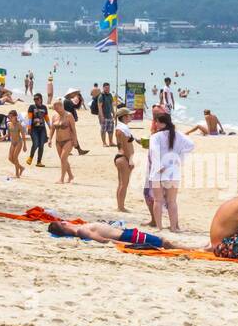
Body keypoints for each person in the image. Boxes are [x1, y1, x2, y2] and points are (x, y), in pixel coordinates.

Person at [148, 111, 194, 232]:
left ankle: (159, 227)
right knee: (172, 201)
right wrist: (179, 157)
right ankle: (174, 227)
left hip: (158, 172)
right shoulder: (178, 134)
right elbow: (191, 145)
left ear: (159, 123)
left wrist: (158, 165)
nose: (155, 124)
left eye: (156, 122)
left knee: (158, 200)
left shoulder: (155, 136)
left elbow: (154, 151)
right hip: (173, 171)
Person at [48, 219, 181, 250]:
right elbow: (105, 240)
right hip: (127, 237)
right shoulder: (81, 231)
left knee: (163, 241)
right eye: (61, 222)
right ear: (64, 225)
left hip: (127, 233)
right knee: (164, 242)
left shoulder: (79, 227)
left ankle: (194, 247)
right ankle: (194, 248)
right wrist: (131, 245)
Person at [113, 107, 135, 212]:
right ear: (125, 117)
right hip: (124, 157)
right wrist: (130, 159)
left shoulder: (120, 127)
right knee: (124, 184)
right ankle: (121, 207)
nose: (132, 116)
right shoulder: (124, 129)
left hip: (120, 157)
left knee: (121, 183)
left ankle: (120, 205)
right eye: (130, 115)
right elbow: (126, 146)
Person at [50, 98, 77, 183]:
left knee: (63, 158)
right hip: (58, 142)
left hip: (68, 141)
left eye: (57, 107)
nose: (55, 109)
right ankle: (71, 176)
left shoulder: (69, 115)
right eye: (54, 108)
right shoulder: (54, 116)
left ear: (61, 106)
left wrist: (75, 140)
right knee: (63, 160)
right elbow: (52, 129)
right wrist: (50, 139)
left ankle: (61, 179)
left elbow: (73, 129)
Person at [27, 94, 48, 167]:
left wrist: (51, 127)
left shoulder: (44, 107)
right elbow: (29, 118)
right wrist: (29, 127)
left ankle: (39, 162)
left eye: (37, 99)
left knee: (41, 145)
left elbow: (46, 118)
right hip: (33, 129)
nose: (36, 100)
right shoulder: (32, 107)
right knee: (35, 143)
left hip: (42, 129)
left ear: (41, 99)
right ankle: (30, 157)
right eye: (34, 99)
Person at [94, 81, 116, 146]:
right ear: (103, 88)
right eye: (106, 88)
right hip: (103, 116)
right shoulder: (101, 96)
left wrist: (114, 113)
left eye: (108, 88)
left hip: (109, 116)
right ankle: (104, 143)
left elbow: (111, 105)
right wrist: (102, 116)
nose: (107, 89)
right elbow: (99, 107)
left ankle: (111, 142)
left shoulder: (110, 95)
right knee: (103, 130)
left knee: (111, 130)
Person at [6, 109, 26, 178]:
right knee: (10, 158)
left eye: (11, 117)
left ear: (15, 116)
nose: (10, 118)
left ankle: (17, 173)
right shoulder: (9, 124)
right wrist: (3, 137)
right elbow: (9, 134)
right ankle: (21, 168)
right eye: (9, 117)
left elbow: (23, 135)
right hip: (12, 143)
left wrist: (25, 146)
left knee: (15, 157)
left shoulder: (19, 125)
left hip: (18, 143)